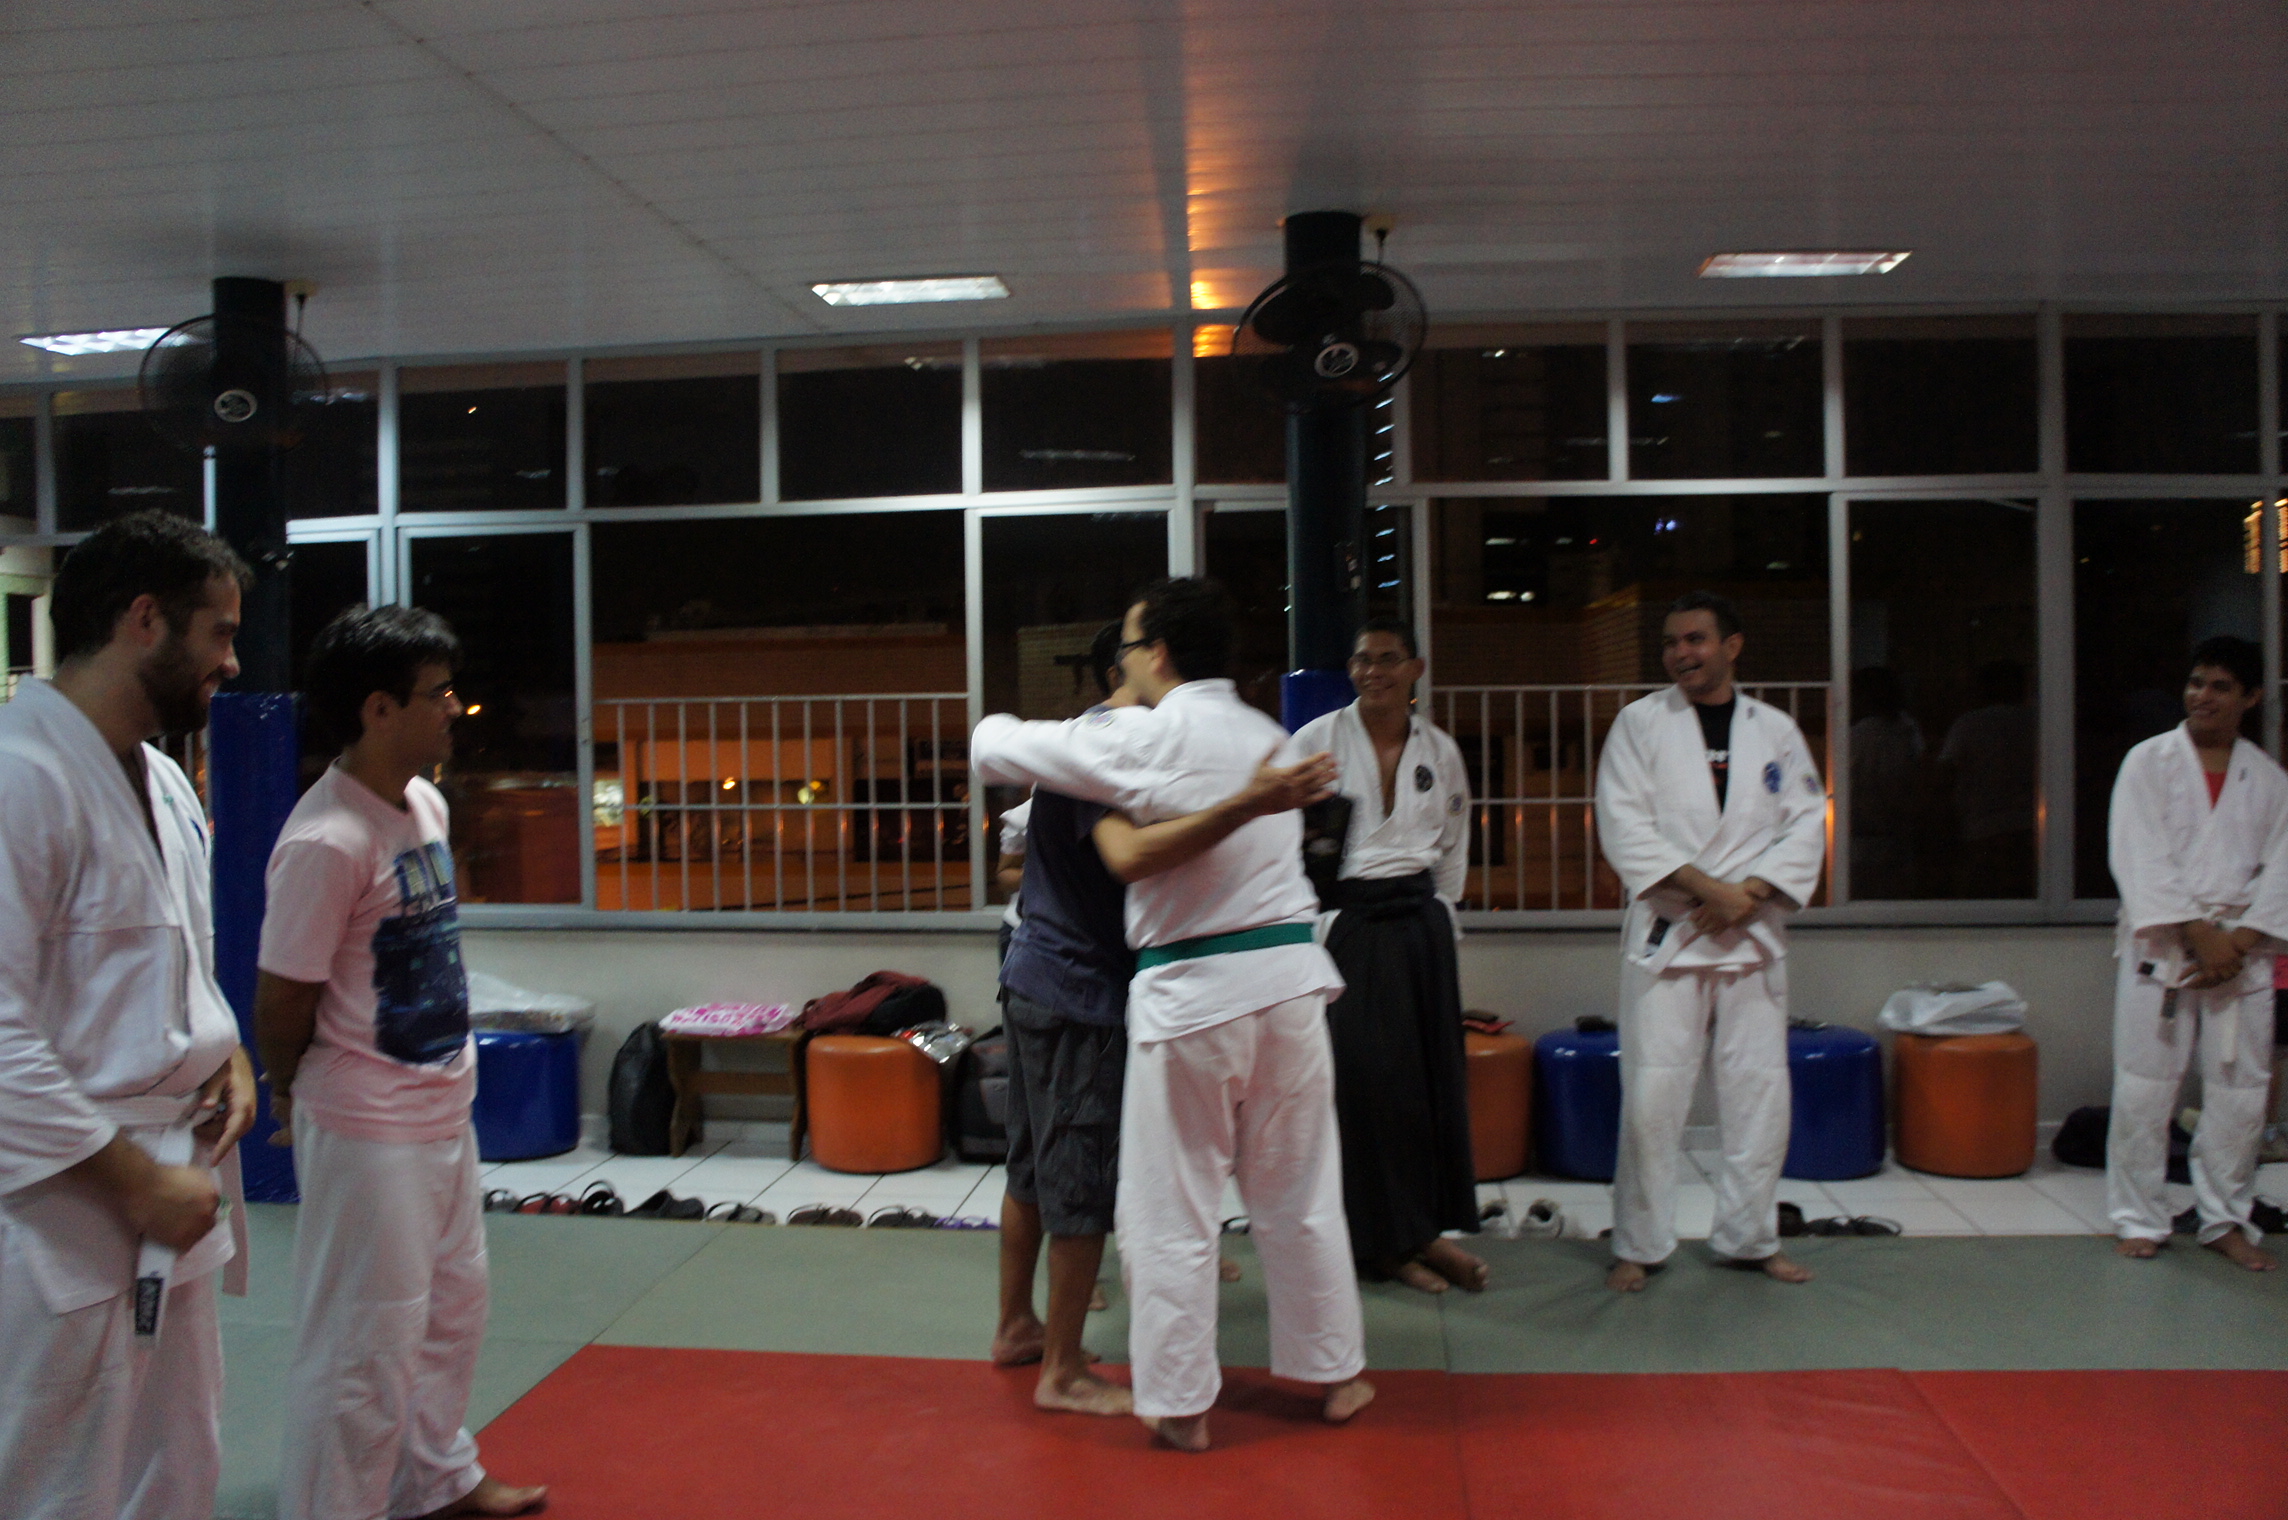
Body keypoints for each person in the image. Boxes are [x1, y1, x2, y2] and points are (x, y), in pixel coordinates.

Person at [973, 577, 1373, 1452]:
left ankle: (1183, 1403)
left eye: (1128, 647)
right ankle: (1338, 1373)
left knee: (1172, 1207)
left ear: (1155, 654)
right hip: (1292, 987)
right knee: (1302, 1191)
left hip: (1196, 997)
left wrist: (1091, 727)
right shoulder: (1269, 737)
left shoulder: (1139, 736)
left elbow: (991, 742)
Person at [256, 605, 548, 1519]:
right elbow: (282, 998)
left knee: (453, 1310)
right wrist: (290, 1091)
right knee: (361, 1344)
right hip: (365, 1122)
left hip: (440, 1104)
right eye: (438, 694)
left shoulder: (425, 804)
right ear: (378, 709)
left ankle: (434, 1478)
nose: (455, 709)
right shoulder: (324, 840)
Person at [0, 510, 260, 1519]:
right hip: (66, 1190)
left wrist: (226, 1049)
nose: (232, 661)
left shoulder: (160, 774)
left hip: (175, 1170)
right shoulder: (21, 778)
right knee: (56, 1477)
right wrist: (135, 1180)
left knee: (179, 1459)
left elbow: (176, 953)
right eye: (219, 633)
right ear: (144, 620)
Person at [1593, 591, 1826, 1293]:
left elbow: (1805, 822)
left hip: (1751, 934)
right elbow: (1625, 826)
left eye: (1695, 639)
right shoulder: (1640, 724)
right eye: (1671, 642)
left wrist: (1747, 895)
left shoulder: (1775, 729)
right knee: (1652, 1096)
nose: (1680, 654)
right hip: (1674, 931)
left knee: (1759, 1094)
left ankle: (1750, 1238)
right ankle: (1639, 1242)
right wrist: (1711, 893)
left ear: (1732, 645)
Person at [1289, 618, 1481, 1295]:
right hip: (1351, 925)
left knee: (1429, 1086)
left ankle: (1424, 1232)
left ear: (1415, 669)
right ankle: (1380, 1244)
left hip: (1420, 924)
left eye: (1388, 659)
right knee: (1366, 1087)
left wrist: (1443, 919)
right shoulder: (1315, 742)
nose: (1374, 671)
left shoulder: (1440, 749)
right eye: (1363, 660)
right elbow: (1286, 842)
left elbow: (1454, 843)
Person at [2104, 635, 2283, 1271]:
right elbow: (2138, 852)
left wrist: (2238, 941)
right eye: (2196, 682)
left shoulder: (2269, 779)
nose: (2203, 696)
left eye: (2220, 687)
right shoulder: (2147, 763)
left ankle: (2226, 1219)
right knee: (2144, 1086)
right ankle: (2139, 1216)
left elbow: (2283, 871)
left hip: (2242, 952)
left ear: (2250, 698)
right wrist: (2195, 932)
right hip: (2164, 946)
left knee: (2241, 1092)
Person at [1937, 660, 2037, 897]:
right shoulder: (2037, 723)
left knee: (1984, 901)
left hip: (1982, 829)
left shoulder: (1969, 724)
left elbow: (1945, 774)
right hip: (2030, 827)